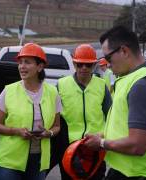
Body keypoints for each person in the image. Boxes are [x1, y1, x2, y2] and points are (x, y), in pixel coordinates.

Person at [84, 26, 146, 179]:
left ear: (124, 51)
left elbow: (138, 145)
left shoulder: (142, 85)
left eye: (108, 58)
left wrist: (102, 143)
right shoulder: (130, 79)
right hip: (125, 171)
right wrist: (104, 134)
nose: (107, 65)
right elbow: (126, 125)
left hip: (138, 174)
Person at [0, 43, 61, 180]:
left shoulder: (52, 92)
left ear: (40, 67)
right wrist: (16, 131)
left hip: (39, 160)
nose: (22, 66)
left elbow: (57, 126)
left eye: (27, 62)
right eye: (20, 62)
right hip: (10, 161)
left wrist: (49, 133)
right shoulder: (9, 91)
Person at [57, 44, 112, 180]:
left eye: (88, 65)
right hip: (69, 148)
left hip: (94, 146)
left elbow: (111, 115)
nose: (84, 68)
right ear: (74, 64)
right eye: (80, 64)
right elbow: (53, 115)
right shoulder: (61, 85)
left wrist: (103, 138)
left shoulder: (101, 86)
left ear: (94, 65)